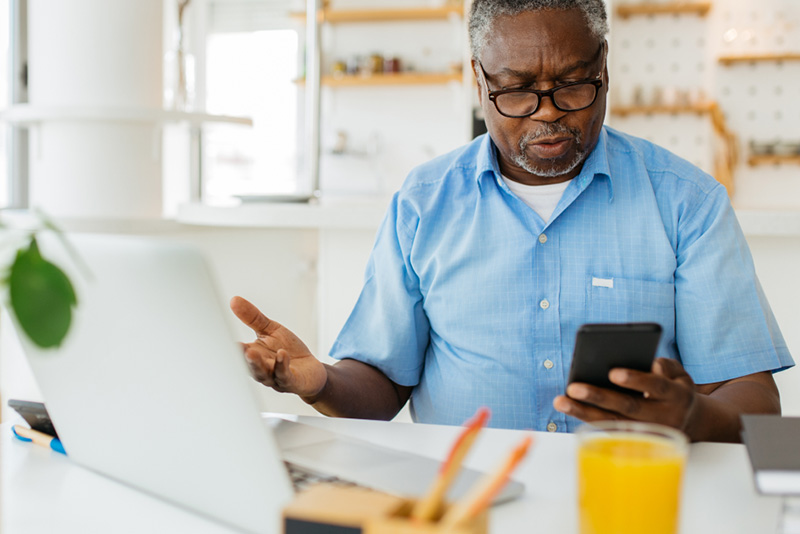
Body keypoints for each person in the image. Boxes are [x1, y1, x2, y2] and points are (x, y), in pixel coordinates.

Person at [230, 0, 793, 443]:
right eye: (519, 91)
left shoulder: (686, 201)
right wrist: (318, 382)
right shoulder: (423, 203)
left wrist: (695, 417)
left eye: (574, 84)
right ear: (479, 80)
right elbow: (380, 387)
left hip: (625, 496)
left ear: (604, 65)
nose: (548, 111)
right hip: (467, 504)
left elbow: (754, 400)